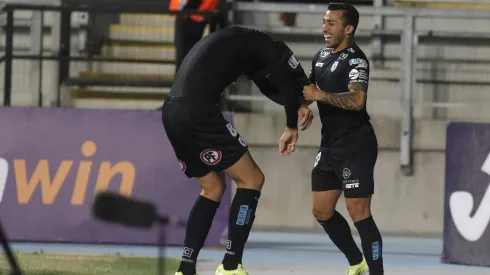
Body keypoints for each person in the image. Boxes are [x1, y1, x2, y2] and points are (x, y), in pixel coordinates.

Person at [161, 26, 314, 275]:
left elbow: (269, 84)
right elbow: (283, 81)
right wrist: (291, 125)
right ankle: (231, 265)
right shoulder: (268, 50)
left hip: (171, 111)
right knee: (252, 179)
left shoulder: (240, 42)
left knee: (212, 188)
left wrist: (296, 104)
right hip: (197, 111)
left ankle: (185, 267)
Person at [302, 3, 384, 275]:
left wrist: (319, 97)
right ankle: (356, 262)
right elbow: (308, 92)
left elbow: (358, 100)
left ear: (348, 29)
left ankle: (376, 272)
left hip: (356, 144)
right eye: (324, 22)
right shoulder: (320, 56)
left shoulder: (356, 60)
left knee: (358, 211)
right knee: (322, 211)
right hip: (330, 144)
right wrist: (301, 110)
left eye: (331, 23)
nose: (324, 28)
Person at [169, 0, 221, 74]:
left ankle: (184, 80)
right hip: (188, 13)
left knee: (187, 53)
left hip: (192, 13)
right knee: (186, 53)